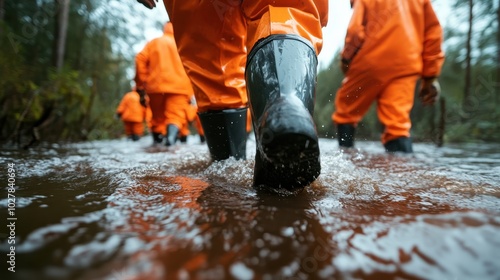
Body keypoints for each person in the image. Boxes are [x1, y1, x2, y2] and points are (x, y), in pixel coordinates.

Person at [135, 0, 328, 192]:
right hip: (177, 90)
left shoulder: (154, 43)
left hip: (160, 83)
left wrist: (139, 86)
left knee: (212, 61)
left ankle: (227, 171)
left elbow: (141, 59)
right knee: (284, 7)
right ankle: (286, 107)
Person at [332, 0, 445, 153]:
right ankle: (402, 172)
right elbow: (433, 33)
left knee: (346, 111)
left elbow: (354, 31)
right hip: (406, 64)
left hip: (369, 63)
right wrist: (430, 76)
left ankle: (344, 159)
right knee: (397, 124)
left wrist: (346, 58)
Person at [135, 21, 194, 146]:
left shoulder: (154, 43)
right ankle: (170, 141)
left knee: (157, 118)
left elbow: (140, 58)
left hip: (155, 86)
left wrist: (142, 82)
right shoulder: (185, 44)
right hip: (180, 88)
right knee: (175, 117)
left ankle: (156, 146)